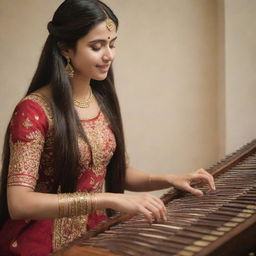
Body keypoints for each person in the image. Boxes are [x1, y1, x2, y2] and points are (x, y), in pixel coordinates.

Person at [0, 0, 215, 255]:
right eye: (96, 46)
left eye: (111, 44)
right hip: (40, 241)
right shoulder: (34, 111)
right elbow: (19, 203)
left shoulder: (99, 98)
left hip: (93, 233)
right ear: (66, 48)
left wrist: (169, 179)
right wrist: (112, 199)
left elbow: (114, 171)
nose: (109, 55)